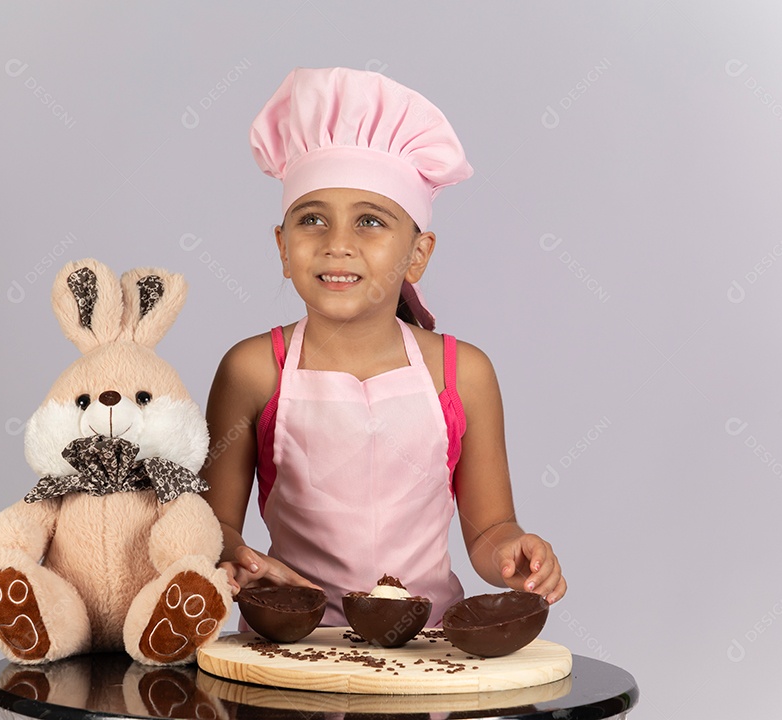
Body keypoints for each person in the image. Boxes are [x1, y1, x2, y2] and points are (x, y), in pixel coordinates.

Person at [200, 67, 566, 627]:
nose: (337, 245)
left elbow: (490, 528)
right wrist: (237, 557)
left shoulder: (461, 373)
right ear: (282, 245)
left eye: (370, 222)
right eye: (312, 219)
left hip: (426, 649)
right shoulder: (253, 370)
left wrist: (514, 555)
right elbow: (211, 524)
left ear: (418, 253)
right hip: (293, 646)